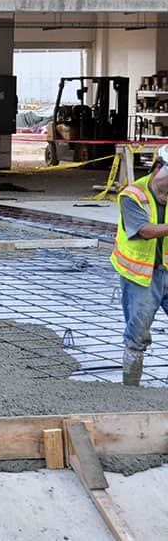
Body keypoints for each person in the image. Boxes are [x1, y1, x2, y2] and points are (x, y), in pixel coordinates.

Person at [110, 143, 168, 386]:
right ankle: (130, 387)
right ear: (157, 169)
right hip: (140, 275)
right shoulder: (133, 195)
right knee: (138, 332)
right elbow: (144, 231)